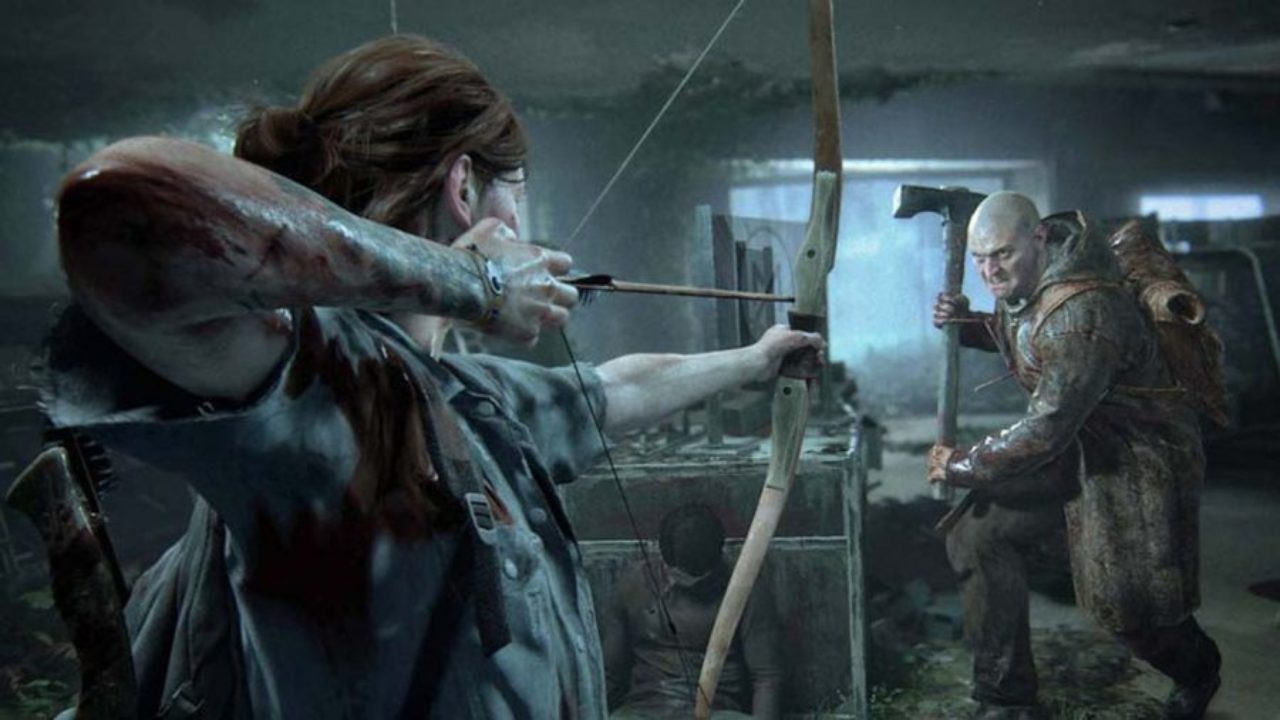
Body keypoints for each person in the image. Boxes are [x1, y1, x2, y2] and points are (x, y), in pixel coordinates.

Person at [42, 35, 822, 719]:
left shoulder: (464, 393)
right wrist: (476, 282)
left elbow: (619, 389)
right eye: (514, 193)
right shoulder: (314, 387)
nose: (519, 224)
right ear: (464, 186)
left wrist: (757, 358)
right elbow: (119, 206)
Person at [929, 192, 1220, 720]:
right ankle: (1006, 699)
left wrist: (961, 464)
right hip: (1077, 449)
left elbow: (1046, 426)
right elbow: (1031, 333)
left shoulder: (1083, 311)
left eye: (1002, 254)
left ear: (1039, 237)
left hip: (1135, 465)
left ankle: (1198, 671)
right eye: (980, 259)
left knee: (1133, 611)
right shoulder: (1039, 283)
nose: (990, 272)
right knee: (978, 531)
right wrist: (973, 325)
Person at [601, 503, 782, 720]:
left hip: (718, 712)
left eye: (701, 579)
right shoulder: (633, 586)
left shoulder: (745, 588)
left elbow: (766, 677)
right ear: (665, 560)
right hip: (644, 708)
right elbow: (609, 674)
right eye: (683, 577)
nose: (692, 585)